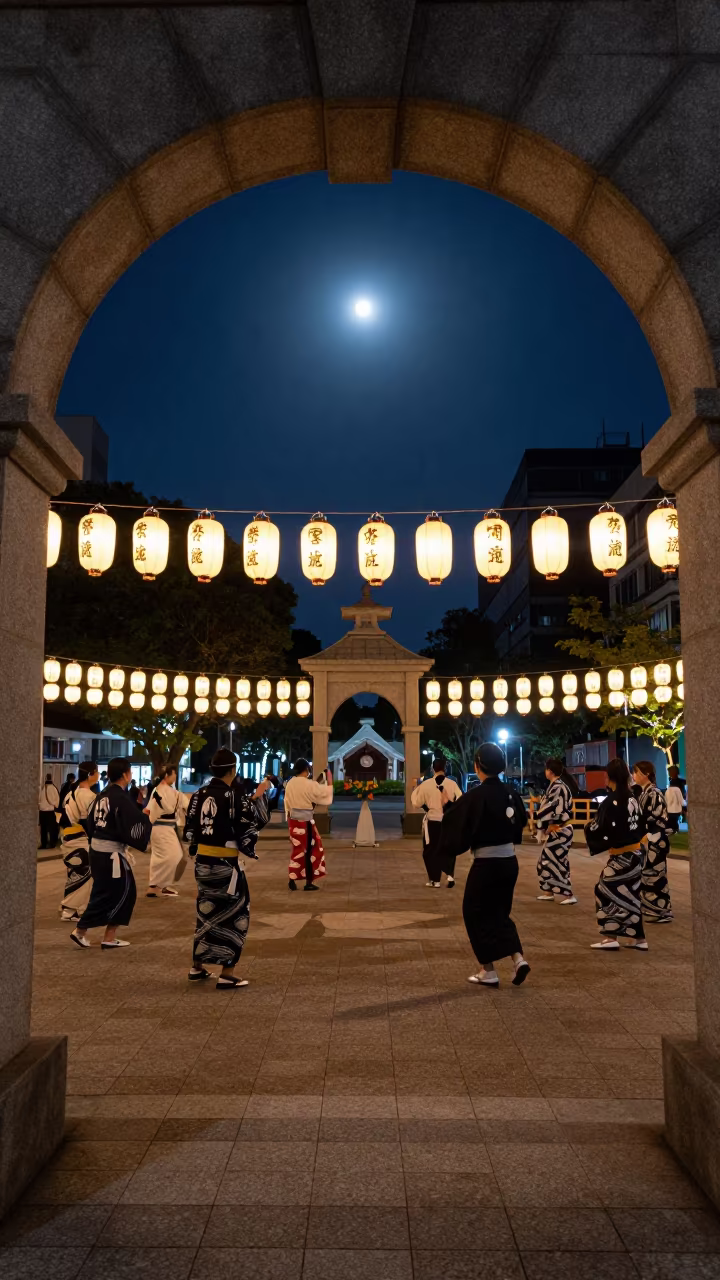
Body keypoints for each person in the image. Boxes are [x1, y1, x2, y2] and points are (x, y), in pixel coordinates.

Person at [439, 742, 530, 988]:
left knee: (473, 911)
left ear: (478, 766)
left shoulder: (477, 795)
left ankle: (487, 969)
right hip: (510, 861)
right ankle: (518, 958)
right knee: (500, 912)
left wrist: (447, 806)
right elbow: (521, 820)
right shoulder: (511, 792)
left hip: (486, 863)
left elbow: (457, 822)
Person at [184, 748, 270, 988]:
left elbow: (190, 829)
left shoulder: (198, 794)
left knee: (206, 912)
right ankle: (227, 972)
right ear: (232, 770)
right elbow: (252, 822)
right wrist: (260, 797)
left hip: (202, 864)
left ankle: (197, 966)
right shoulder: (234, 796)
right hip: (225, 865)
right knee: (236, 914)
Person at [70, 757, 151, 950]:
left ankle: (85, 932)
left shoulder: (102, 794)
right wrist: (145, 818)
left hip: (98, 850)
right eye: (129, 772)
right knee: (125, 892)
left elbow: (91, 822)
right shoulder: (120, 797)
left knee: (103, 892)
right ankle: (103, 935)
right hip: (111, 854)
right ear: (125, 774)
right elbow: (131, 822)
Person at [586, 757, 647, 951]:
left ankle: (610, 936)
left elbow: (599, 827)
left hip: (623, 858)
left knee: (603, 890)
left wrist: (589, 828)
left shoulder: (611, 801)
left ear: (609, 777)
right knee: (631, 895)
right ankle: (638, 939)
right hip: (636, 855)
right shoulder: (632, 798)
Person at [411, 758, 462, 888]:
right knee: (448, 848)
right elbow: (461, 800)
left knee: (431, 850)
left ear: (433, 769)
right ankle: (450, 875)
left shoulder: (426, 784)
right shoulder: (452, 784)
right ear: (445, 769)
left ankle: (435, 879)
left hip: (433, 821)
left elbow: (416, 803)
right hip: (448, 822)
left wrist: (415, 789)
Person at [633, 760, 673, 924]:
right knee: (648, 874)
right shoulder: (644, 793)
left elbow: (659, 819)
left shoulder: (654, 793)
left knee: (655, 875)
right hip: (648, 840)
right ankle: (652, 908)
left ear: (646, 774)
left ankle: (661, 911)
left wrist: (648, 835)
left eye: (636, 772)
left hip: (654, 840)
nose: (633, 776)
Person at [284, 759, 333, 891]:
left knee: (297, 850)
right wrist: (329, 782)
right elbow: (322, 794)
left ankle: (292, 879)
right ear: (306, 769)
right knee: (311, 851)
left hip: (293, 820)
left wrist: (288, 817)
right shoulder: (309, 783)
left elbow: (287, 802)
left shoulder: (290, 783)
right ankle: (308, 882)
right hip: (306, 821)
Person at [59, 760, 99, 922]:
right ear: (90, 774)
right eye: (96, 772)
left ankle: (76, 909)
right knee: (84, 874)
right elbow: (91, 821)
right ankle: (70, 909)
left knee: (76, 873)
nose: (97, 775)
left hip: (68, 837)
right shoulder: (88, 795)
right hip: (80, 838)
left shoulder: (71, 793)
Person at [535, 757, 578, 905]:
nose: (545, 771)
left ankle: (569, 894)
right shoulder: (556, 786)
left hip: (562, 830)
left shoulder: (558, 787)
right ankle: (549, 891)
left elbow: (553, 809)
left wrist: (543, 821)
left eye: (546, 769)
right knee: (548, 861)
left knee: (555, 862)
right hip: (558, 829)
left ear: (550, 771)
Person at [145, 765, 185, 897]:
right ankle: (160, 885)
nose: (175, 777)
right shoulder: (167, 791)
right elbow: (187, 805)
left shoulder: (158, 790)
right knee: (174, 855)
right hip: (164, 828)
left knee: (159, 857)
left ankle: (156, 885)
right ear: (167, 775)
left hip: (157, 827)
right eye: (174, 774)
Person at [38, 773, 61, 849]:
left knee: (43, 829)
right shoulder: (54, 788)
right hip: (51, 812)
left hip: (42, 811)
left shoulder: (42, 788)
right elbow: (57, 801)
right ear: (51, 778)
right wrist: (55, 806)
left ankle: (44, 844)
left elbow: (39, 800)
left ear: (45, 778)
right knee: (52, 829)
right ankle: (52, 843)